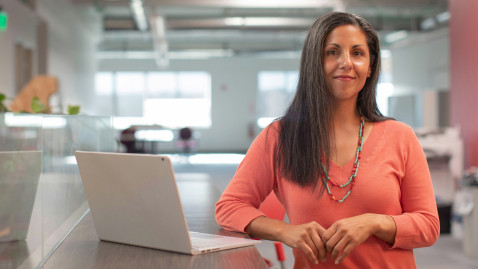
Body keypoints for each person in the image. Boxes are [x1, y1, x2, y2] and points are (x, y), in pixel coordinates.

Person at [215, 12, 439, 268]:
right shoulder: (279, 137)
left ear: (370, 67)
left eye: (357, 53)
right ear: (314, 63)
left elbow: (429, 225)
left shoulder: (401, 136)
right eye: (332, 52)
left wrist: (376, 222)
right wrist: (284, 230)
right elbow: (230, 207)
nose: (346, 62)